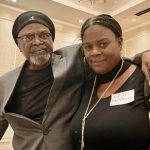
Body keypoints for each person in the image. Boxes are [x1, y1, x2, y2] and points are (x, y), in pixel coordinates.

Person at [0, 11, 149, 150]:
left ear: (52, 39)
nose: (38, 41)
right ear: (18, 44)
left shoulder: (74, 58)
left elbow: (109, 56)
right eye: (28, 37)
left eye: (44, 35)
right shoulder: (4, 84)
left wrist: (143, 55)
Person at [70, 14, 150, 150]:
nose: (95, 52)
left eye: (103, 44)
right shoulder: (86, 81)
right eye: (88, 47)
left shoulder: (143, 77)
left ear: (119, 43)